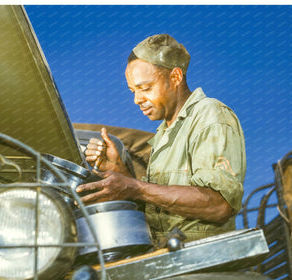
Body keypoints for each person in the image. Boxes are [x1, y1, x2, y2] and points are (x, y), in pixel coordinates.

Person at [76, 34, 246, 245]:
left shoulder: (210, 115)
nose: (137, 99)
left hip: (206, 262)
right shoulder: (165, 133)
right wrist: (121, 173)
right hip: (168, 257)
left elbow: (219, 205)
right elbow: (157, 206)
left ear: (175, 77)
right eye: (133, 91)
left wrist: (134, 187)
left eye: (145, 88)